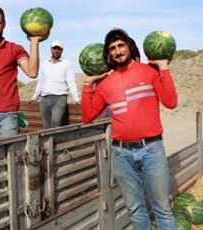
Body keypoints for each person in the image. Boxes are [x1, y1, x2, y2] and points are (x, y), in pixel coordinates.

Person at [81, 28, 177, 230]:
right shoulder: (106, 84)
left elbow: (171, 102)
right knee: (135, 209)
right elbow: (88, 117)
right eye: (112, 48)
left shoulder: (149, 72)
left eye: (120, 45)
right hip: (121, 153)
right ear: (109, 54)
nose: (117, 51)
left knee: (162, 208)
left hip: (152, 149)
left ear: (129, 46)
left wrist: (164, 68)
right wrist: (89, 84)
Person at [0, 5, 47, 144]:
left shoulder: (14, 49)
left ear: (4, 24)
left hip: (7, 115)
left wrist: (34, 42)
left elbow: (32, 72)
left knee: (11, 159)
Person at [31, 40, 80, 129]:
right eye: (55, 48)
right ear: (51, 49)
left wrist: (76, 98)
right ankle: (47, 143)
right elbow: (40, 82)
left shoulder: (66, 64)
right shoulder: (44, 64)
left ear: (62, 50)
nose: (56, 50)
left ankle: (55, 142)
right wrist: (34, 97)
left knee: (56, 123)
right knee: (46, 126)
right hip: (44, 98)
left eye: (59, 49)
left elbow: (71, 82)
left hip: (60, 98)